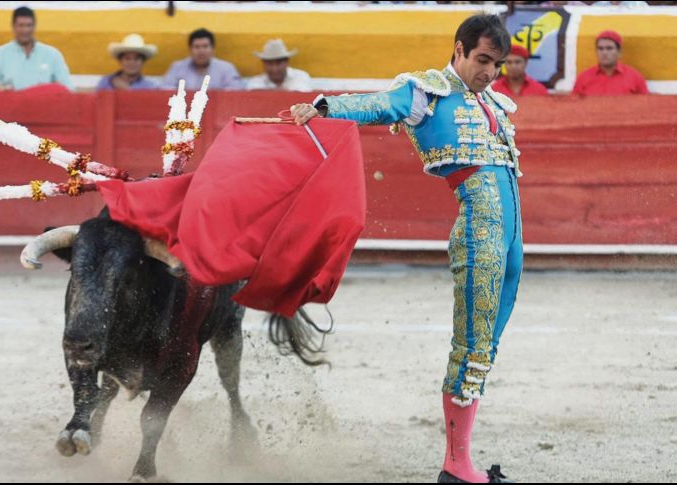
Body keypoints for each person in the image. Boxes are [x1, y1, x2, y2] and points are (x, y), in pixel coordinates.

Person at [291, 13, 521, 484]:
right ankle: (456, 466)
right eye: (482, 60)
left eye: (497, 64)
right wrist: (327, 106)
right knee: (472, 343)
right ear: (458, 49)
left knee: (487, 343)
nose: (489, 72)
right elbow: (381, 105)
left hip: (511, 235)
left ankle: (461, 460)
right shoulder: (426, 92)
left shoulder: (492, 101)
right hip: (480, 228)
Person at [0, 6, 74, 91]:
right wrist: (1, 89)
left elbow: (68, 88)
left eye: (29, 25)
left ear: (34, 26)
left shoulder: (53, 55)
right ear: (13, 26)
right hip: (10, 103)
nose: (25, 30)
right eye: (21, 25)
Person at [161, 28, 243, 91]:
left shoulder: (226, 69)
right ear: (190, 49)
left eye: (205, 46)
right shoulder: (177, 67)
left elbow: (235, 92)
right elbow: (166, 90)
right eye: (197, 47)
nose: (201, 51)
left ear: (213, 49)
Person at [572, 30, 648, 95]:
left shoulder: (634, 78)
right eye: (600, 48)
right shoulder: (583, 78)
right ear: (596, 52)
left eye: (609, 48)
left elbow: (646, 104)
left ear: (619, 52)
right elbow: (573, 105)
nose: (604, 53)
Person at [247, 39, 312, 92]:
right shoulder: (256, 82)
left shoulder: (301, 77)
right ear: (264, 63)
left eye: (278, 63)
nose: (274, 69)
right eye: (270, 64)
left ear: (287, 62)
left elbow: (303, 94)